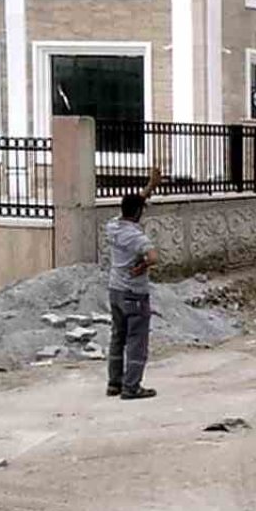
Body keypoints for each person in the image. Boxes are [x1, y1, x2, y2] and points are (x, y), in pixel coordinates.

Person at [106, 167, 162, 400]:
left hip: (115, 290)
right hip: (134, 293)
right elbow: (154, 257)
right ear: (138, 212)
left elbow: (135, 205)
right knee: (136, 340)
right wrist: (142, 266)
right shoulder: (138, 238)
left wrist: (151, 185)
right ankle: (132, 387)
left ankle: (114, 383)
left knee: (117, 337)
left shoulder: (113, 227)